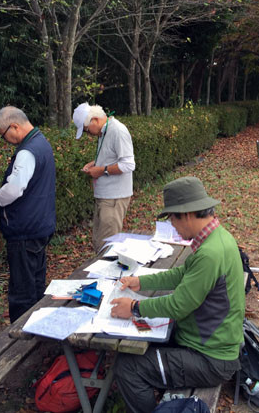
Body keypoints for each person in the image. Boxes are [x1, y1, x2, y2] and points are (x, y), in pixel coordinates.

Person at [109, 176, 245, 413]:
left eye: (172, 217)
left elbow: (178, 306)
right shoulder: (217, 238)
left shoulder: (210, 253)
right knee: (145, 343)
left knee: (128, 367)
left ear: (188, 213)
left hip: (211, 359)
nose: (172, 224)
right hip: (209, 346)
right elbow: (181, 274)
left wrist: (133, 308)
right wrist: (140, 281)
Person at [0, 106, 56, 323]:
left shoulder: (26, 152)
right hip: (40, 224)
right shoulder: (41, 142)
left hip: (24, 230)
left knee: (22, 291)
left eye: (3, 134)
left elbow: (15, 189)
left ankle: (21, 338)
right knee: (36, 284)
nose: (4, 139)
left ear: (14, 126)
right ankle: (38, 330)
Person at [72, 103, 135, 253]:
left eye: (87, 130)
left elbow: (128, 164)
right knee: (99, 242)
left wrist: (100, 170)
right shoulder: (104, 131)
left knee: (107, 247)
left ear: (94, 119)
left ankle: (110, 276)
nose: (89, 134)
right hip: (105, 196)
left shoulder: (117, 131)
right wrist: (95, 164)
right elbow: (111, 156)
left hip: (114, 197)